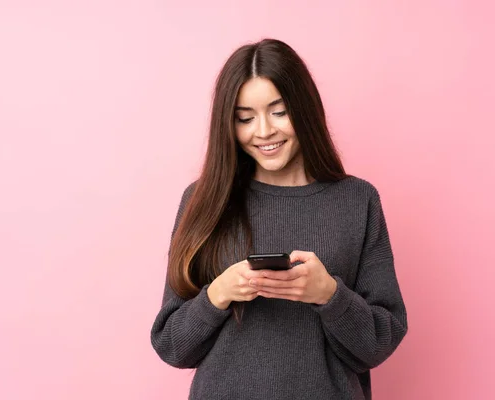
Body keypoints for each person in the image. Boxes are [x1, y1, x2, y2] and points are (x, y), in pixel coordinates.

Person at [150, 38, 408, 400]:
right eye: (245, 117)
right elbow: (172, 345)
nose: (264, 131)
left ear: (303, 108)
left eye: (279, 111)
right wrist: (219, 294)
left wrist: (329, 295)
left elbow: (380, 342)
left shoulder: (357, 200)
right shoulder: (203, 200)